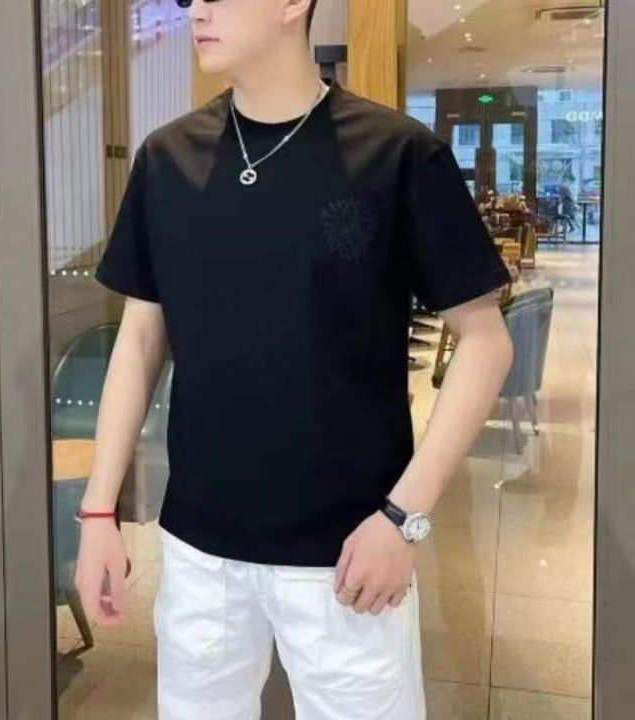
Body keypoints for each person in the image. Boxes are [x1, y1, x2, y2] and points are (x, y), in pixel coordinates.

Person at [74, 1, 514, 718]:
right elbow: (141, 337)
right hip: (199, 553)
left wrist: (403, 516)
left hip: (348, 552)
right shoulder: (167, 158)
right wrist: (99, 511)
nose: (197, 11)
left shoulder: (396, 154)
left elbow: (486, 341)